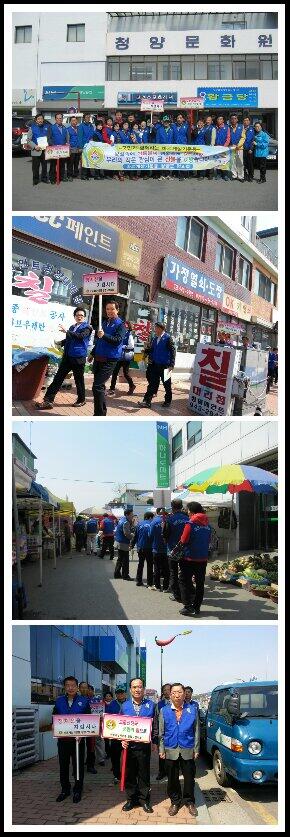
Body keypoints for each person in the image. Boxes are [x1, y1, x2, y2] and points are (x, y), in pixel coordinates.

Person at [35, 307, 92, 410]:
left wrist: (67, 332)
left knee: (79, 380)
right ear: (74, 316)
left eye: (81, 316)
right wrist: (61, 343)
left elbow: (80, 336)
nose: (79, 317)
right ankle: (48, 401)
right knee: (58, 378)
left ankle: (81, 400)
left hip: (78, 358)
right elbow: (70, 338)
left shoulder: (87, 328)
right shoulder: (72, 327)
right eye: (77, 315)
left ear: (84, 317)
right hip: (67, 357)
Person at [159, 682, 199, 817]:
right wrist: (161, 749)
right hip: (170, 748)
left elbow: (197, 731)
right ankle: (175, 801)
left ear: (184, 694)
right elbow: (161, 732)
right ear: (170, 695)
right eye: (174, 692)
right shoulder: (164, 710)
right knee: (172, 778)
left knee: (189, 778)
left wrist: (197, 748)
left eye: (180, 692)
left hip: (188, 748)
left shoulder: (192, 709)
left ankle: (189, 801)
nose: (177, 695)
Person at [120, 678, 156, 813]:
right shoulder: (124, 706)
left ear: (144, 689)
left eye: (140, 687)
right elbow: (119, 725)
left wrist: (154, 742)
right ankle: (131, 800)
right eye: (134, 687)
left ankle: (144, 800)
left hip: (144, 747)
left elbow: (155, 726)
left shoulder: (151, 705)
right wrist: (121, 739)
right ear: (130, 689)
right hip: (128, 747)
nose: (137, 689)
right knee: (130, 774)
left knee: (144, 774)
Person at [53, 675, 91, 803]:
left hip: (78, 741)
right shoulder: (59, 701)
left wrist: (83, 734)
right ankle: (65, 789)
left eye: (73, 685)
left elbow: (89, 721)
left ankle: (78, 789)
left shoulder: (84, 701)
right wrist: (53, 725)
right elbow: (55, 716)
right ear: (64, 687)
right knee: (63, 765)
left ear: (77, 687)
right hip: (63, 740)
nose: (70, 688)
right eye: (67, 685)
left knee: (78, 766)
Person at [89, 300, 125, 416]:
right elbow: (99, 340)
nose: (109, 311)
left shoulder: (121, 325)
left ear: (117, 310)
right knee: (100, 386)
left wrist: (104, 335)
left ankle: (99, 415)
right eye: (107, 309)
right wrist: (92, 353)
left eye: (112, 309)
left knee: (97, 386)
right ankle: (101, 412)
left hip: (110, 359)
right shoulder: (104, 323)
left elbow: (117, 341)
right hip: (99, 357)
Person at [179, 502, 211, 617]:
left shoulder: (190, 523)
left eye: (187, 510)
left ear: (191, 511)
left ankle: (187, 606)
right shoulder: (208, 525)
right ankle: (197, 607)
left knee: (184, 580)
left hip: (189, 558)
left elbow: (183, 540)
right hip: (202, 558)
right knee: (200, 583)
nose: (187, 512)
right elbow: (208, 540)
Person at [138, 322, 176, 409]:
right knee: (152, 384)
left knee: (167, 385)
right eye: (155, 328)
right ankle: (147, 401)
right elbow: (153, 349)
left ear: (161, 328)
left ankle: (167, 401)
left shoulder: (168, 338)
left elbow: (173, 351)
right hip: (155, 365)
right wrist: (146, 351)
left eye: (156, 328)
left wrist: (172, 364)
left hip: (165, 366)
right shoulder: (155, 338)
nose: (155, 330)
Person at [163, 500, 189, 603]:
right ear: (181, 507)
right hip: (185, 549)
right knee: (185, 573)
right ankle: (185, 594)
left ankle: (177, 595)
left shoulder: (169, 520)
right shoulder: (187, 519)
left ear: (172, 507)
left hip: (172, 550)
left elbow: (165, 535)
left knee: (173, 573)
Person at [105, 686, 127, 782]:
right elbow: (107, 718)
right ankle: (116, 775)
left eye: (122, 692)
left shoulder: (130, 703)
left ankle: (127, 774)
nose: (120, 694)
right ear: (115, 694)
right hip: (115, 735)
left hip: (127, 735)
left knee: (128, 756)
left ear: (125, 693)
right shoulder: (111, 704)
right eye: (118, 693)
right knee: (115, 757)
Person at [109, 321, 136, 395]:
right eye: (123, 325)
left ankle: (132, 385)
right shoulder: (119, 333)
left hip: (125, 356)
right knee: (115, 372)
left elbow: (131, 346)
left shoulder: (129, 335)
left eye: (126, 325)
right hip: (118, 356)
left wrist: (123, 346)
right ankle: (112, 388)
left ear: (128, 327)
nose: (124, 326)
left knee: (125, 373)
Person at [78, 682, 98, 775]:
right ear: (79, 689)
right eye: (82, 687)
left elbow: (100, 711)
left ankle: (90, 765)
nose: (84, 689)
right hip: (79, 726)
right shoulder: (76, 699)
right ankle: (78, 766)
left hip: (91, 725)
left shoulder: (94, 700)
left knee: (91, 746)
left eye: (86, 688)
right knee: (79, 746)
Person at [131, 511, 154, 587]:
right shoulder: (151, 524)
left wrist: (132, 545)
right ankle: (150, 582)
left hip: (140, 547)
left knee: (140, 564)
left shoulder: (139, 524)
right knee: (150, 565)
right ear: (150, 517)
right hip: (149, 548)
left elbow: (135, 536)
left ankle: (139, 581)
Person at [26, 113, 50, 186]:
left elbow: (49, 138)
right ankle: (35, 180)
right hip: (36, 150)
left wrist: (48, 144)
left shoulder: (47, 127)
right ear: (36, 120)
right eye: (38, 119)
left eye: (41, 119)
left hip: (45, 150)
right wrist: (35, 146)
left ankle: (44, 178)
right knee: (35, 167)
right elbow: (28, 140)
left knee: (45, 166)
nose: (40, 120)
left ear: (43, 120)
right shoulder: (32, 128)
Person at [150, 508, 169, 592]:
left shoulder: (154, 521)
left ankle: (157, 586)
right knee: (166, 568)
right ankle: (165, 587)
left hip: (156, 548)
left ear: (157, 512)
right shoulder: (168, 520)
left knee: (157, 568)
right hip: (167, 549)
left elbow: (150, 534)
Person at [155, 683, 171, 780]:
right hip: (162, 733)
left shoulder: (176, 702)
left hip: (172, 733)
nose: (166, 691)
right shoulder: (159, 704)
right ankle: (162, 772)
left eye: (168, 689)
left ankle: (171, 772)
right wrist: (156, 735)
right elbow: (156, 720)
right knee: (161, 753)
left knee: (172, 754)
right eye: (164, 690)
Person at [47, 112, 69, 184]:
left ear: (62, 119)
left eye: (60, 118)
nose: (59, 119)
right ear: (55, 119)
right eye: (58, 118)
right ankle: (52, 178)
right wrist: (53, 145)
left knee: (62, 164)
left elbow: (66, 138)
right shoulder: (51, 127)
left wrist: (66, 143)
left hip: (62, 150)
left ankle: (61, 177)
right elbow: (49, 138)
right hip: (54, 150)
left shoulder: (64, 128)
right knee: (53, 165)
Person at [114, 509, 134, 580]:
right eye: (131, 514)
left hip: (119, 541)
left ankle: (117, 574)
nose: (132, 516)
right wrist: (133, 536)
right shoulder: (126, 522)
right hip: (123, 543)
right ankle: (125, 575)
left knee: (120, 559)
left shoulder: (122, 520)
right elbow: (127, 534)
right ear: (127, 515)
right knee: (125, 560)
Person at [77, 114, 97, 181]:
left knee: (89, 160)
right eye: (86, 117)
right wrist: (80, 147)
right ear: (84, 118)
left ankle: (88, 173)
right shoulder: (81, 126)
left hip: (90, 146)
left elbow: (92, 135)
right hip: (83, 146)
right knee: (84, 161)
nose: (88, 118)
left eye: (89, 117)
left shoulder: (91, 126)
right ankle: (83, 175)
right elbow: (79, 137)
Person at [172, 113, 190, 180]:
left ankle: (183, 174)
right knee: (176, 160)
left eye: (180, 118)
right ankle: (175, 173)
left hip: (184, 146)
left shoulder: (186, 126)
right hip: (175, 146)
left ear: (183, 119)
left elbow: (188, 137)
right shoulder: (173, 126)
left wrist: (188, 146)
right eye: (178, 118)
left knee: (183, 160)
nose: (179, 119)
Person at [229, 114, 245, 182]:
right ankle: (234, 175)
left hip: (239, 148)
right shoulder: (228, 127)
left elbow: (243, 137)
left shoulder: (241, 127)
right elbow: (227, 137)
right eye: (232, 118)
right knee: (232, 162)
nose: (233, 120)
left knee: (240, 162)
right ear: (230, 120)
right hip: (231, 147)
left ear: (237, 119)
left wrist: (238, 145)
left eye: (235, 118)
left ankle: (241, 176)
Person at [214, 115, 231, 181]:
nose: (219, 120)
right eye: (218, 119)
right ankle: (218, 174)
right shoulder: (215, 127)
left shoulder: (227, 127)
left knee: (224, 161)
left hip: (224, 147)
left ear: (223, 120)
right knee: (218, 161)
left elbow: (228, 138)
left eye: (221, 119)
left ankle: (225, 175)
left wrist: (224, 146)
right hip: (216, 147)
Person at [66, 115, 81, 181]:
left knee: (76, 162)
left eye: (75, 120)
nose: (74, 122)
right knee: (70, 163)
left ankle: (76, 173)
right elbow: (67, 140)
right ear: (70, 122)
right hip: (71, 149)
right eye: (73, 120)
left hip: (78, 148)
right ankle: (69, 175)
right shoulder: (68, 129)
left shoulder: (79, 128)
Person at [203, 115, 216, 180]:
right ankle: (206, 172)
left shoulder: (213, 128)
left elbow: (213, 138)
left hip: (210, 146)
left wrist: (212, 146)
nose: (207, 121)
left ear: (211, 121)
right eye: (207, 120)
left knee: (210, 160)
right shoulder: (204, 127)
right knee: (205, 160)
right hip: (204, 146)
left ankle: (211, 174)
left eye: (209, 120)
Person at [242, 117, 255, 182]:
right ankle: (244, 175)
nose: (246, 121)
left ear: (249, 122)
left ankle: (251, 176)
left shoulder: (252, 129)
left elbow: (253, 140)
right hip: (242, 149)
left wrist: (251, 148)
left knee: (250, 164)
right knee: (243, 163)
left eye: (247, 120)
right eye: (244, 120)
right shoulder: (242, 129)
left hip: (249, 150)